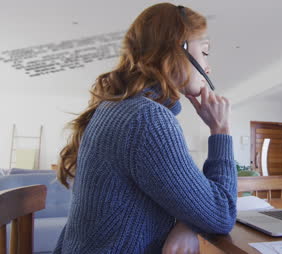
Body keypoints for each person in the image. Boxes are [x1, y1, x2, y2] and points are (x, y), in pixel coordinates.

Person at [53, 3, 236, 253]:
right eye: (204, 52)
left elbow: (192, 201)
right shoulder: (146, 119)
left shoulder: (121, 109)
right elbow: (222, 214)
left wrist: (188, 222)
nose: (208, 66)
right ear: (178, 48)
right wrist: (221, 130)